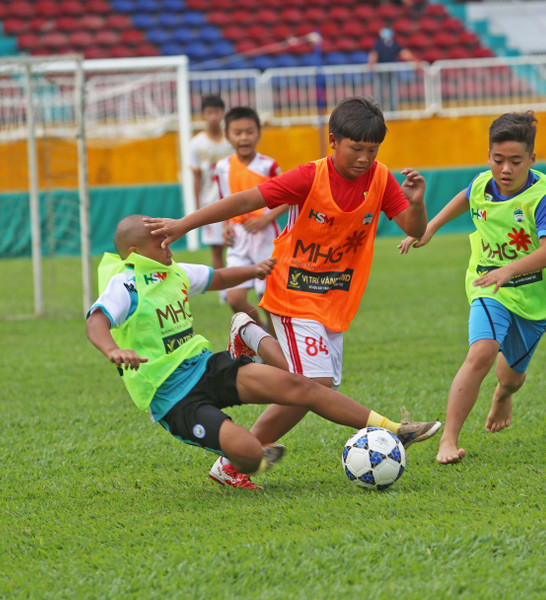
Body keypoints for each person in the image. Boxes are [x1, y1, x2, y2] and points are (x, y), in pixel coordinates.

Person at [145, 96, 434, 488]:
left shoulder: (381, 179)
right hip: (292, 289)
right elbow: (246, 199)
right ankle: (390, 429)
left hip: (335, 298)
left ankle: (248, 340)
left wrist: (417, 205)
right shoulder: (310, 176)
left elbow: (414, 229)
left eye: (373, 150)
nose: (365, 158)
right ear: (333, 141)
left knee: (315, 388)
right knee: (315, 384)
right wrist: (184, 224)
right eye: (356, 149)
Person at [86, 215, 441, 490]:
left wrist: (255, 270)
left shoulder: (173, 272)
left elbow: (217, 278)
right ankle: (248, 462)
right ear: (135, 252)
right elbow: (96, 320)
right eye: (159, 241)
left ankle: (395, 430)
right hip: (173, 397)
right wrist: (112, 349)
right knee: (247, 450)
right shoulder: (126, 284)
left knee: (302, 386)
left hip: (204, 367)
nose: (169, 245)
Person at [398, 111, 546, 464]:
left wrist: (510, 270)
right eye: (497, 160)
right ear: (488, 155)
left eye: (515, 162)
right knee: (481, 352)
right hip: (487, 285)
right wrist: (430, 227)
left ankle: (503, 395)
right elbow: (466, 197)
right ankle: (449, 440)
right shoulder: (482, 184)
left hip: (533, 296)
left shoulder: (543, 198)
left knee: (511, 377)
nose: (505, 169)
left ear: (532, 160)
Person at [212, 106, 286, 331]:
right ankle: (262, 333)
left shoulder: (269, 165)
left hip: (265, 237)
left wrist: (266, 219)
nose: (243, 137)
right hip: (238, 237)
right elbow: (224, 200)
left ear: (258, 134)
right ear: (227, 136)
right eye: (237, 132)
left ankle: (275, 346)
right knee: (234, 298)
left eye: (249, 131)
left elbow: (288, 199)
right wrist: (226, 225)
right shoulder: (222, 167)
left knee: (268, 301)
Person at [186, 94, 233, 282]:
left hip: (234, 200)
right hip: (210, 203)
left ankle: (238, 287)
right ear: (203, 115)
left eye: (217, 112)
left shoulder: (232, 138)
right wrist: (199, 208)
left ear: (223, 113)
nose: (213, 116)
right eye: (209, 112)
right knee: (217, 249)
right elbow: (196, 177)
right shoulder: (196, 144)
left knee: (238, 247)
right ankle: (223, 291)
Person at [367, 26, 420, 112]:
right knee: (378, 92)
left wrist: (414, 60)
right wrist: (372, 63)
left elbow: (404, 53)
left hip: (391, 72)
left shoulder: (394, 44)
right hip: (379, 72)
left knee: (393, 91)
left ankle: (393, 110)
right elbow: (374, 54)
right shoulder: (378, 44)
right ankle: (379, 110)